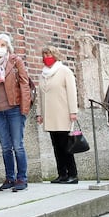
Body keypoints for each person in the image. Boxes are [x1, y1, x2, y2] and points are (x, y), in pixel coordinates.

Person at [0, 33, 32, 192]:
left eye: (4, 45)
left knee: (17, 145)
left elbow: (24, 85)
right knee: (5, 147)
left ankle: (22, 178)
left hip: (14, 109)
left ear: (8, 47)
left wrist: (25, 108)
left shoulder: (16, 61)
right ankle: (10, 178)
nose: (0, 47)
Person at [36, 45, 79, 184]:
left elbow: (72, 92)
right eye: (44, 55)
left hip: (63, 114)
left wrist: (73, 111)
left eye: (48, 54)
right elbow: (40, 96)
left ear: (55, 55)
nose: (46, 58)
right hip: (49, 116)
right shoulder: (43, 74)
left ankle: (73, 174)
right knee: (56, 146)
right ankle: (62, 174)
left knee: (66, 145)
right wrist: (39, 114)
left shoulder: (64, 71)